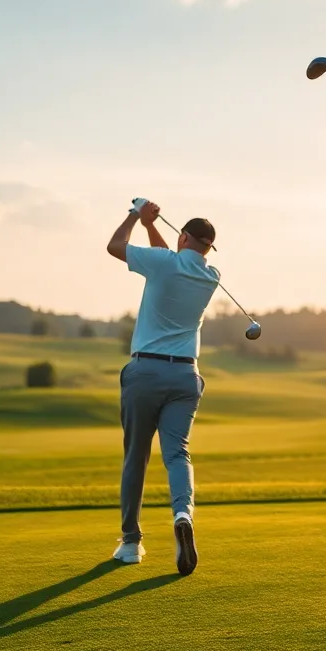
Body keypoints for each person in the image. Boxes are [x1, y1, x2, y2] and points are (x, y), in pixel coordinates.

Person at [106, 199, 219, 576]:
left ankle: (130, 543)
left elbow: (115, 246)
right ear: (208, 248)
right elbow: (168, 258)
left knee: (136, 455)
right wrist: (155, 226)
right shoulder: (211, 275)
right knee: (177, 454)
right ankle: (183, 513)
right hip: (186, 376)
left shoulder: (164, 264)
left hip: (146, 372)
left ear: (183, 237)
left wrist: (136, 217)